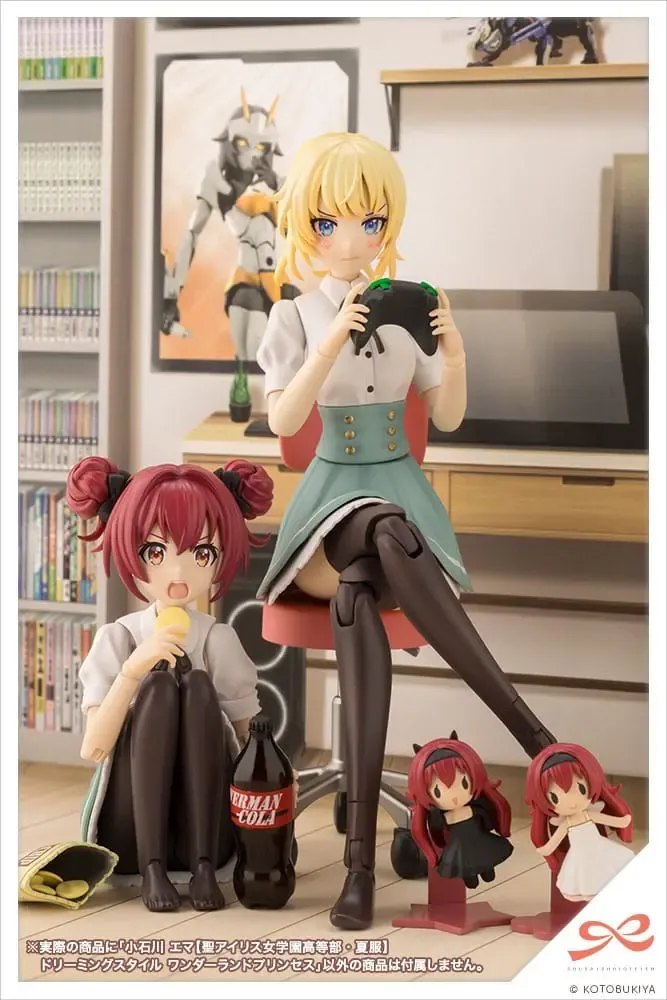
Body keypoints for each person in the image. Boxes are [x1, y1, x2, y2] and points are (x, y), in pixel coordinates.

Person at [255, 131, 556, 930]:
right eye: (329, 222)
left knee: (363, 585)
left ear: (387, 224)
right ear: (305, 225)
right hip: (327, 511)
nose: (350, 239)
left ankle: (357, 869)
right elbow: (283, 420)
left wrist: (452, 350)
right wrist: (327, 342)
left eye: (369, 220)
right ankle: (534, 734)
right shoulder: (291, 314)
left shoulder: (407, 307)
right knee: (376, 532)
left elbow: (446, 415)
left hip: (396, 511)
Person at [67, 457, 273, 912]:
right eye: (156, 553)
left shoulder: (217, 639)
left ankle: (203, 867)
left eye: (201, 554)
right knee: (159, 688)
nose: (179, 575)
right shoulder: (120, 637)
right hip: (131, 834)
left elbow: (249, 738)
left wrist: (278, 794)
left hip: (211, 830)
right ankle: (153, 868)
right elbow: (94, 748)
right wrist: (133, 671)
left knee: (196, 685)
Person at [526, 744, 633, 902]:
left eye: (582, 789)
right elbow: (555, 839)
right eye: (555, 798)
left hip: (599, 848)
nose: (572, 802)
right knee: (584, 878)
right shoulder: (567, 823)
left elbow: (612, 820)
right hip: (579, 855)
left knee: (606, 870)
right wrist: (546, 849)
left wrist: (623, 821)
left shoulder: (589, 815)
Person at [409, 737, 513, 889]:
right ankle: (471, 878)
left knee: (486, 864)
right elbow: (436, 832)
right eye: (438, 792)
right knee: (467, 873)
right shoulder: (443, 817)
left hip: (479, 840)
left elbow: (485, 818)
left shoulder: (473, 809)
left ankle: (486, 871)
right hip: (459, 848)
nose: (454, 797)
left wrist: (485, 821)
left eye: (464, 784)